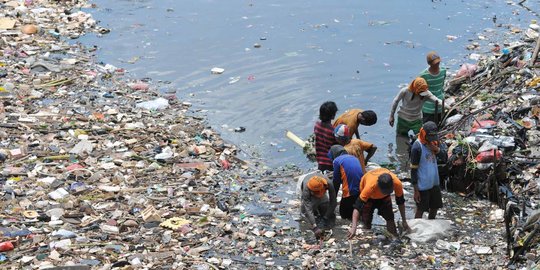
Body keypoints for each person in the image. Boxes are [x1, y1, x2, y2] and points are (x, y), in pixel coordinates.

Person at [347, 168, 410, 238]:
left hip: (385, 198)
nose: (388, 192)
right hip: (369, 198)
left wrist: (404, 220)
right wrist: (354, 227)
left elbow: (400, 202)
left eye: (389, 191)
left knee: (390, 217)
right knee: (366, 220)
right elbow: (357, 207)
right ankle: (367, 236)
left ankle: (393, 237)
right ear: (378, 186)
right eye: (385, 192)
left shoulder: (397, 183)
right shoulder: (370, 187)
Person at [411, 121, 445, 219]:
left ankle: (431, 226)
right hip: (422, 185)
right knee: (421, 209)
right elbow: (413, 170)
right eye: (429, 136)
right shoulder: (417, 147)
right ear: (424, 134)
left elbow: (445, 157)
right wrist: (416, 190)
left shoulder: (435, 143)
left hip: (434, 183)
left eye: (433, 136)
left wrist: (436, 149)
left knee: (435, 207)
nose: (431, 139)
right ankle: (417, 229)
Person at [328, 145, 364, 220]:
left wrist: (333, 199)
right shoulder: (354, 158)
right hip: (361, 190)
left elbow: (336, 181)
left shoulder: (337, 161)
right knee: (356, 209)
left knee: (343, 214)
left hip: (350, 192)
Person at [300, 173, 337, 239]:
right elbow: (308, 208)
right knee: (305, 213)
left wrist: (326, 217)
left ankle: (322, 214)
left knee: (325, 208)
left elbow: (333, 202)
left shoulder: (328, 183)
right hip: (304, 184)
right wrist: (314, 226)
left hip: (321, 191)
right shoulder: (306, 188)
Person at [420, 51, 447, 124]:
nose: (437, 65)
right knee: (428, 129)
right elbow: (422, 92)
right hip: (428, 108)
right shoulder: (423, 75)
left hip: (440, 105)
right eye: (435, 64)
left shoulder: (443, 71)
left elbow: (442, 85)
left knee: (440, 126)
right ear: (429, 64)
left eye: (438, 63)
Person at [314, 101, 338, 172]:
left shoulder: (317, 125)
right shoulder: (333, 131)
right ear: (333, 115)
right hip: (331, 163)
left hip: (320, 161)